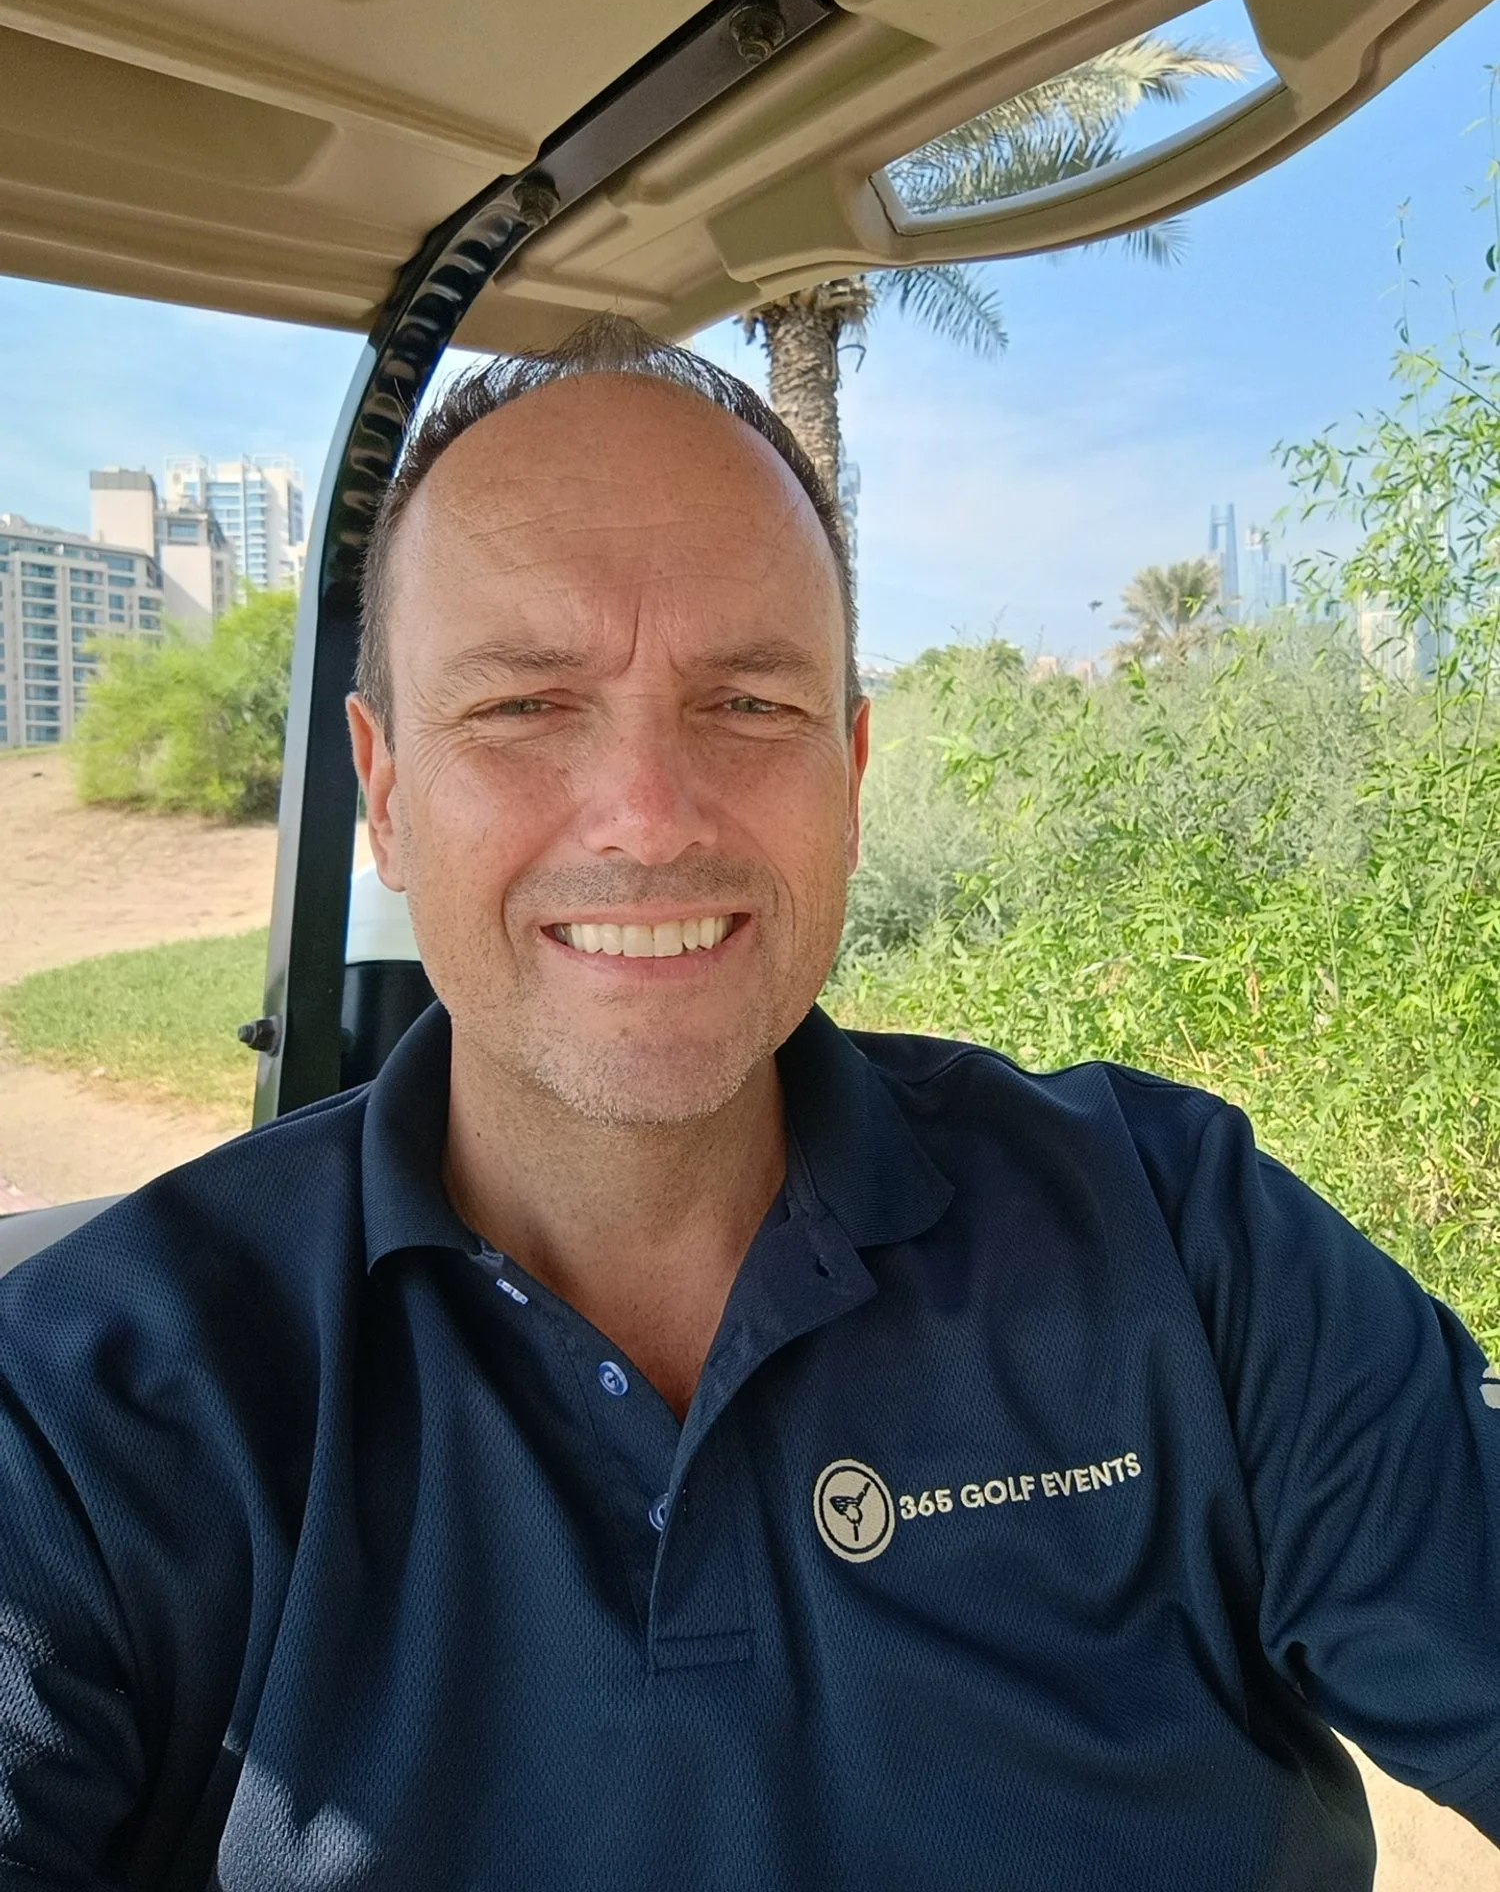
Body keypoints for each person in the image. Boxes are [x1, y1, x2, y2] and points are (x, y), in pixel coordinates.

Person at [0, 317, 1495, 1892]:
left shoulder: (1183, 1242)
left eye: (750, 706)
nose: (648, 821)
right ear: (381, 791)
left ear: (850, 776)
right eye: (523, 706)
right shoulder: (93, 1415)